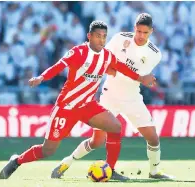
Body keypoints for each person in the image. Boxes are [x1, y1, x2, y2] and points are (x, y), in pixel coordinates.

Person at [0, 20, 155, 180]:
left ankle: (110, 169)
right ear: (89, 36)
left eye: (104, 36)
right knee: (48, 150)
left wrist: (141, 78)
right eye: (97, 36)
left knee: (115, 127)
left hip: (88, 105)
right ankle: (16, 161)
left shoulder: (107, 56)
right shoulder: (78, 52)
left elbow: (122, 67)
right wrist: (41, 77)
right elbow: (59, 66)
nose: (101, 40)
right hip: (66, 107)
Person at [55, 13, 174, 180]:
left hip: (132, 98)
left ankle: (154, 172)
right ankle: (66, 162)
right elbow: (102, 59)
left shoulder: (155, 54)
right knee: (96, 141)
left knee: (153, 139)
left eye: (145, 33)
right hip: (110, 95)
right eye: (138, 31)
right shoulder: (119, 38)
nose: (140, 36)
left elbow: (134, 74)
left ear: (151, 32)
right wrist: (111, 69)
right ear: (134, 29)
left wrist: (130, 74)